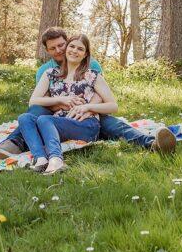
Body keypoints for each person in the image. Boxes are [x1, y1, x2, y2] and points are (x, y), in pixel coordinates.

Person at [0, 27, 176, 158]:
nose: (59, 50)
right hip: (54, 113)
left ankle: (152, 143)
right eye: (53, 48)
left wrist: (87, 108)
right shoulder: (46, 71)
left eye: (62, 44)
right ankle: (13, 144)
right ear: (46, 50)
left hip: (87, 112)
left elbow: (100, 94)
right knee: (34, 113)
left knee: (110, 123)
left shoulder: (90, 66)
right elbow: (40, 101)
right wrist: (63, 102)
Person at [14, 34, 114, 174]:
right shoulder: (50, 74)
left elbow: (113, 106)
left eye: (80, 49)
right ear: (66, 49)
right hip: (59, 123)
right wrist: (61, 100)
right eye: (72, 46)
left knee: (44, 119)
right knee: (25, 118)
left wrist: (87, 106)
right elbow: (33, 101)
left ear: (85, 55)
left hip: (85, 124)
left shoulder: (92, 75)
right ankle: (41, 159)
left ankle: (56, 159)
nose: (74, 51)